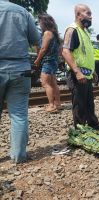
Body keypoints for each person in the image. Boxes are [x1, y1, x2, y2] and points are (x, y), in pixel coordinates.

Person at [0, 0, 40, 163]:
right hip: (20, 69)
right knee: (19, 115)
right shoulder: (22, 12)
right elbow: (37, 39)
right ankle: (18, 156)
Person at [62, 4, 99, 130]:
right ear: (78, 15)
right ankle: (80, 131)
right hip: (77, 74)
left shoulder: (85, 32)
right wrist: (77, 72)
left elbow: (86, 54)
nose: (90, 17)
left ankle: (93, 126)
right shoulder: (72, 30)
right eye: (87, 13)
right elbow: (65, 52)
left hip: (86, 74)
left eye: (91, 14)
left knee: (89, 103)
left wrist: (93, 71)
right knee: (80, 104)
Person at [34, 14, 61, 112]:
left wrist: (37, 59)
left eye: (40, 22)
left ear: (44, 22)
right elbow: (59, 51)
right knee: (53, 83)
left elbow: (43, 48)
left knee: (45, 83)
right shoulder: (54, 34)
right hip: (53, 61)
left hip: (47, 61)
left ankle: (52, 106)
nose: (39, 24)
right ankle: (57, 104)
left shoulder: (47, 33)